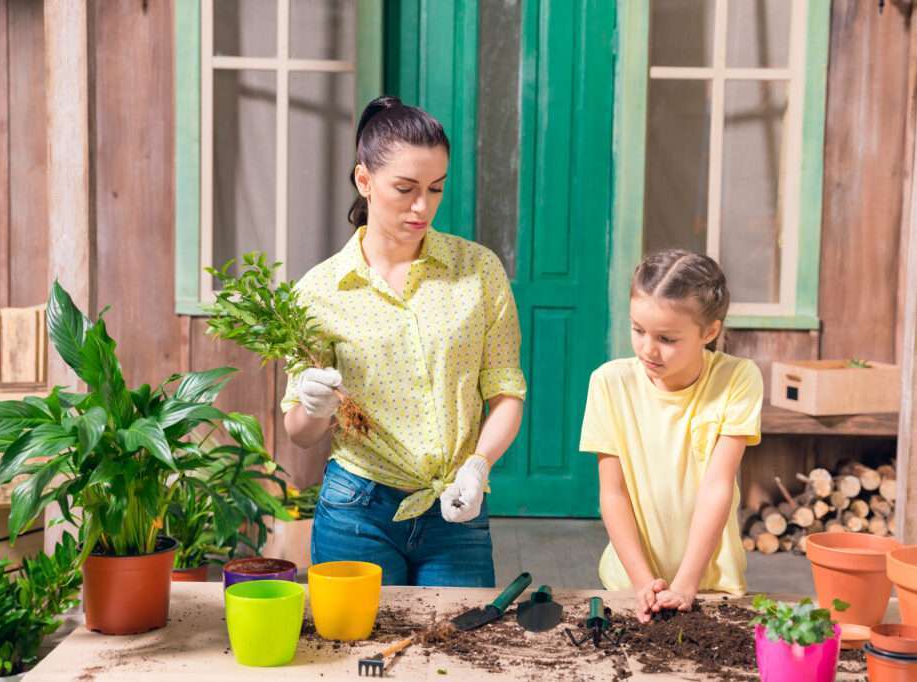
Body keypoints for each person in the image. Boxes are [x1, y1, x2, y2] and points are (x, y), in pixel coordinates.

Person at [282, 95, 526, 587]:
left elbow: (506, 392)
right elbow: (300, 433)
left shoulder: (478, 272)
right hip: (356, 511)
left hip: (455, 508)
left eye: (435, 189)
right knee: (359, 654)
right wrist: (313, 404)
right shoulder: (319, 292)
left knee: (458, 653)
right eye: (405, 188)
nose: (423, 206)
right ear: (364, 180)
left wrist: (478, 467)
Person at [579, 249, 763, 623]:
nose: (648, 348)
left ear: (709, 332)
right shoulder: (609, 383)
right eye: (638, 330)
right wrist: (641, 582)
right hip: (628, 584)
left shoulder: (737, 379)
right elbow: (613, 493)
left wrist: (687, 583)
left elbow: (717, 486)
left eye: (666, 338)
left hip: (709, 585)